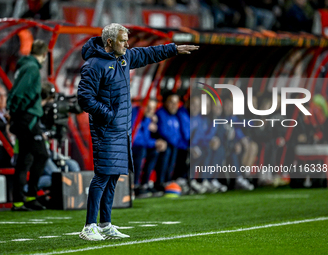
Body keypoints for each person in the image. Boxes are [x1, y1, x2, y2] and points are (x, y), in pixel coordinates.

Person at [77, 23, 199, 241]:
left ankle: (105, 224)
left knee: (113, 176)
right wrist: (108, 115)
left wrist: (173, 49)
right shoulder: (94, 65)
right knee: (102, 176)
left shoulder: (124, 58)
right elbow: (85, 98)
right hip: (106, 130)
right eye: (123, 40)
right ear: (109, 42)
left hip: (121, 131)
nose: (127, 44)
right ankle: (89, 226)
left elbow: (148, 53)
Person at [6, 39, 49, 211]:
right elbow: (18, 93)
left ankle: (19, 201)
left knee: (25, 160)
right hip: (28, 119)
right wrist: (15, 113)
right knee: (42, 155)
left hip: (24, 118)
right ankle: (31, 196)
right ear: (44, 55)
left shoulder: (25, 66)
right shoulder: (32, 68)